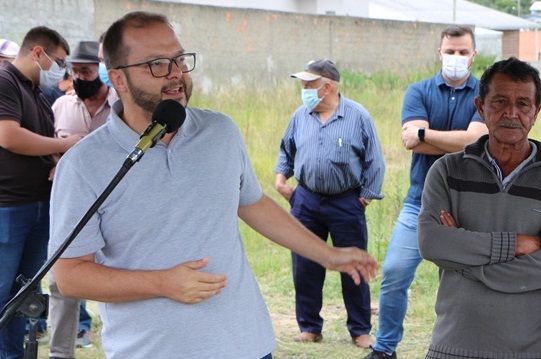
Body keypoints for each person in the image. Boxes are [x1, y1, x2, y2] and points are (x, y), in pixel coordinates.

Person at [48, 11, 377, 359]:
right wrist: (162, 283)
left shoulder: (220, 132)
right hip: (150, 350)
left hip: (246, 343)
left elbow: (252, 203)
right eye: (157, 64)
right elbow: (70, 276)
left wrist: (328, 255)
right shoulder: (84, 164)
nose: (175, 73)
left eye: (179, 59)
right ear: (119, 79)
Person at [417, 57, 541, 358]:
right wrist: (515, 244)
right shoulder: (447, 170)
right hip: (453, 346)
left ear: (537, 112)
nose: (511, 113)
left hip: (534, 350)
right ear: (480, 107)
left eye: (523, 103)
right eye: (500, 101)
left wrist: (465, 262)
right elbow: (432, 243)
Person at [364, 24, 488, 359]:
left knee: (473, 281)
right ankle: (385, 348)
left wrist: (426, 135)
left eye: (463, 52)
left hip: (469, 205)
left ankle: (470, 347)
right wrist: (455, 140)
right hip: (419, 203)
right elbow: (408, 140)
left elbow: (475, 143)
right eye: (450, 51)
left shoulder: (486, 93)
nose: (456, 57)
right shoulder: (418, 91)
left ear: (474, 55)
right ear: (439, 52)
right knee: (394, 274)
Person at [275, 58, 385, 348]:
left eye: (309, 84)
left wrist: (365, 196)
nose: (304, 90)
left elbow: (375, 160)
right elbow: (286, 150)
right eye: (303, 85)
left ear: (329, 87)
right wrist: (280, 179)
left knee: (353, 265)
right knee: (305, 265)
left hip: (346, 201)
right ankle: (310, 326)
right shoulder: (300, 115)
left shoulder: (358, 116)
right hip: (306, 200)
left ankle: (360, 330)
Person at [0, 26, 80, 359]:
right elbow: (9, 136)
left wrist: (58, 159)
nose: (60, 70)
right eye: (58, 61)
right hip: (9, 207)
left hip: (38, 205)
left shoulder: (36, 93)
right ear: (37, 53)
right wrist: (64, 144)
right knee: (4, 293)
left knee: (23, 295)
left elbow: (41, 144)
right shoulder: (5, 82)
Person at [48, 39, 119, 359]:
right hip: (72, 206)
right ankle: (61, 353)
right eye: (75, 71)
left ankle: (123, 348)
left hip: (117, 205)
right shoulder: (61, 106)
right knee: (61, 282)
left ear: (100, 72)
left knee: (117, 278)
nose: (80, 77)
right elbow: (50, 147)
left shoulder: (120, 106)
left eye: (87, 71)